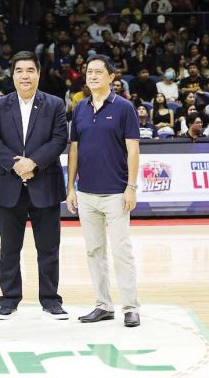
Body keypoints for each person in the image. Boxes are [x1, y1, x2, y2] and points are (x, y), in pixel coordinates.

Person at [0, 51, 69, 320]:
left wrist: (33, 162)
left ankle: (50, 299)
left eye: (30, 70)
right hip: (9, 185)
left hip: (44, 184)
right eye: (19, 70)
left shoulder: (55, 104)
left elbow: (59, 140)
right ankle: (9, 299)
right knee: (9, 248)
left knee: (48, 248)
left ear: (38, 74)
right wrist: (16, 164)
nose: (25, 75)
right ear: (12, 74)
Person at [66, 54, 141, 328]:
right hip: (86, 193)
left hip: (116, 193)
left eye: (99, 72)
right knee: (94, 251)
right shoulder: (79, 108)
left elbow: (133, 149)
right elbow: (74, 149)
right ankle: (103, 305)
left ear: (112, 77)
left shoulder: (124, 108)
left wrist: (131, 187)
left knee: (121, 250)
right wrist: (70, 188)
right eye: (89, 72)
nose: (93, 76)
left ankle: (131, 307)